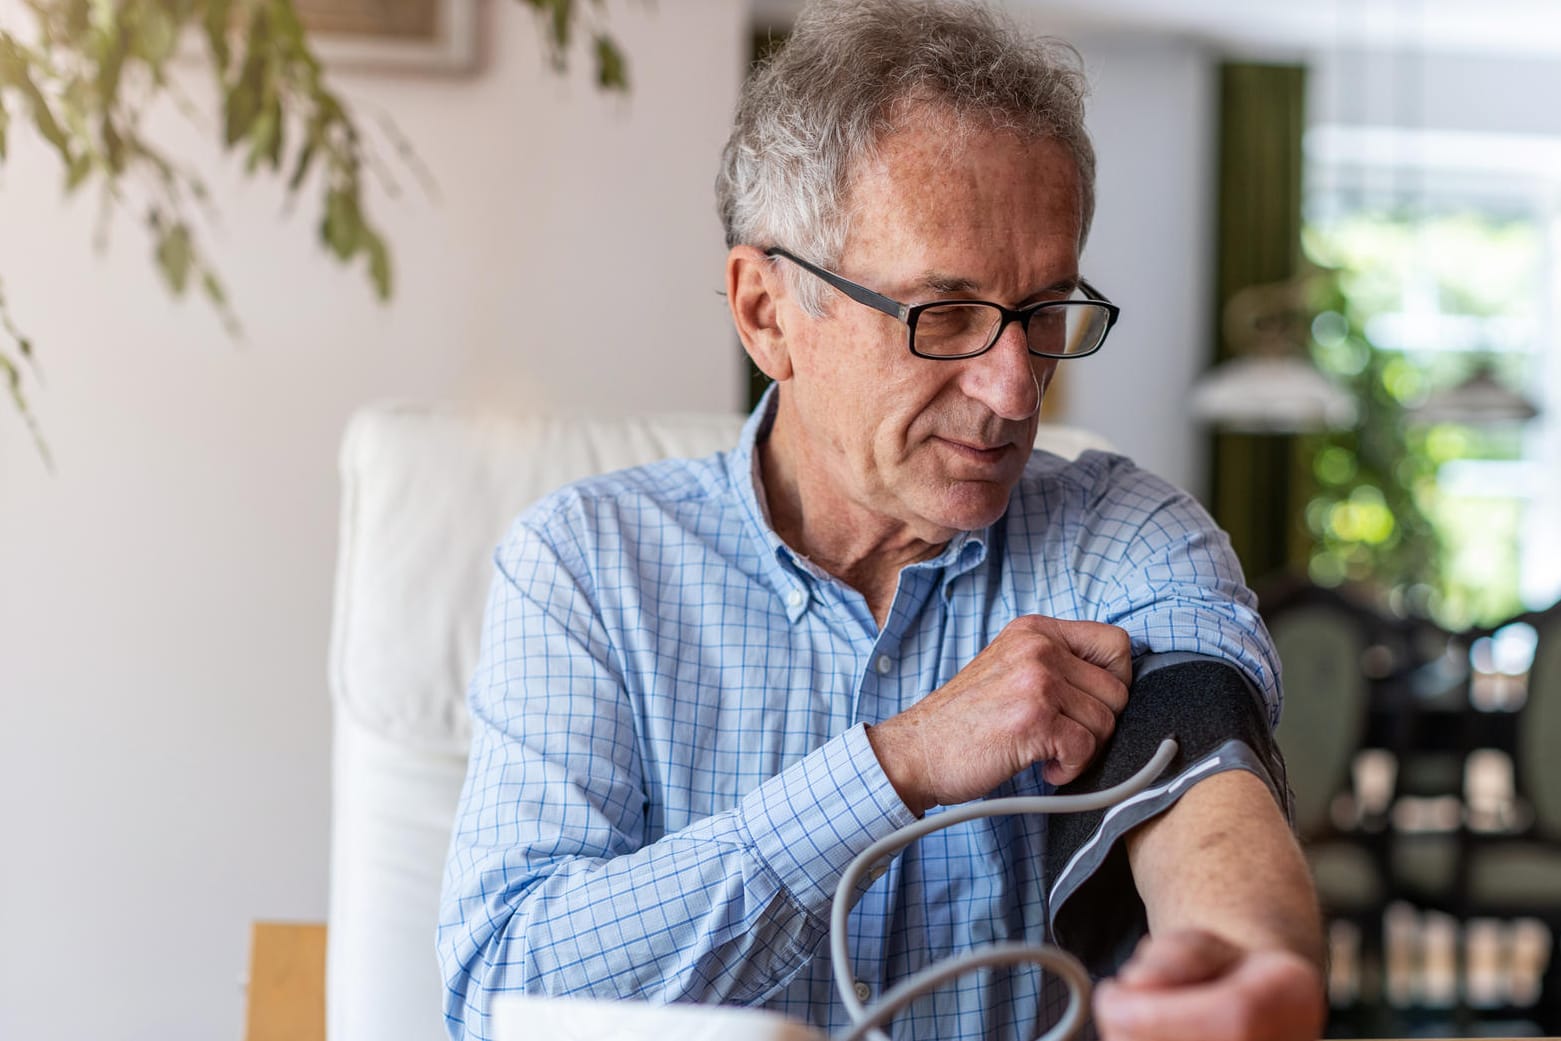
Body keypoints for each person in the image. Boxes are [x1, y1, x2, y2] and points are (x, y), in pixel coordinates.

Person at [437, 1, 1327, 1038]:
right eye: (941, 315)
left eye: (1043, 314)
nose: (1013, 389)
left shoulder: (1121, 535)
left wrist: (1244, 963)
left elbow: (1205, 776)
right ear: (767, 312)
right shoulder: (587, 568)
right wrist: (894, 765)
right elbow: (501, 990)